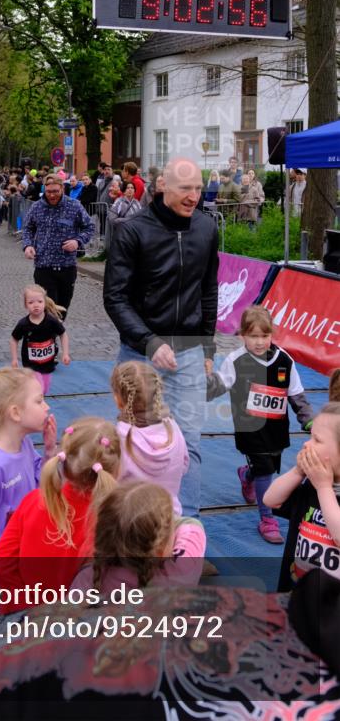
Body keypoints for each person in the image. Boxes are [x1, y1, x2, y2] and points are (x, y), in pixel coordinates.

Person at [103, 157, 219, 518]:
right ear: (162, 187)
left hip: (187, 352)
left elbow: (209, 289)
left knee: (190, 443)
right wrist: (150, 341)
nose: (194, 196)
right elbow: (115, 297)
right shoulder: (133, 231)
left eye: (198, 188)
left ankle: (186, 532)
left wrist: (207, 346)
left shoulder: (207, 227)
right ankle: (127, 529)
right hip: (139, 354)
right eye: (186, 188)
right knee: (130, 442)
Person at [207, 305, 313, 544]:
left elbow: (296, 395)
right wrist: (200, 384)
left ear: (271, 335)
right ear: (242, 335)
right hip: (250, 431)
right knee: (265, 468)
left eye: (264, 336)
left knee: (269, 465)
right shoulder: (235, 361)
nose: (259, 342)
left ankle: (247, 475)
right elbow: (217, 387)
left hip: (276, 430)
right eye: (253, 336)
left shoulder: (284, 360)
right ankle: (267, 518)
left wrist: (309, 420)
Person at [0, 417, 122, 612]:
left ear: (64, 461)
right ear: (115, 469)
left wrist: (23, 608)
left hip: (28, 622)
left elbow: (1, 560)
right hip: (73, 626)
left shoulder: (34, 501)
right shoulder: (111, 523)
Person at [0, 367, 58, 558]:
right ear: (15, 413)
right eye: (39, 401)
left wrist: (49, 451)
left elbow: (42, 485)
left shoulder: (25, 444)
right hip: (1, 570)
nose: (47, 407)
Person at [73, 481, 206, 593]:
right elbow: (192, 525)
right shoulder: (180, 569)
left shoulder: (90, 578)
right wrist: (164, 521)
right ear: (159, 551)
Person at [265, 403, 340, 591]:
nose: (307, 444)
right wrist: (298, 472)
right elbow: (271, 500)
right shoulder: (311, 486)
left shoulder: (320, 487)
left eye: (317, 439)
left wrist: (324, 487)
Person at [111, 360, 188, 516]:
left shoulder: (119, 436)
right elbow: (184, 465)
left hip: (129, 520)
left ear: (119, 400)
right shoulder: (172, 428)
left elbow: (111, 478)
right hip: (168, 518)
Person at [21, 173, 94, 312]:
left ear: (62, 189)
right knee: (49, 310)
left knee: (62, 310)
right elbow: (27, 228)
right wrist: (28, 245)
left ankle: (56, 332)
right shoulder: (37, 207)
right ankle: (51, 334)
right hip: (44, 266)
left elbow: (89, 227)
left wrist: (77, 241)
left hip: (66, 266)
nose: (52, 195)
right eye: (49, 192)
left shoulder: (74, 206)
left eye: (55, 191)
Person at [10, 284, 70, 395]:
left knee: (44, 390)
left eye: (39, 302)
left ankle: (36, 405)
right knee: (37, 391)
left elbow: (63, 334)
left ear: (45, 302)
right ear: (25, 305)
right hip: (30, 365)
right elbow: (14, 339)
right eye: (31, 302)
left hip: (47, 365)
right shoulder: (23, 324)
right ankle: (33, 408)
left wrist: (65, 353)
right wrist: (14, 358)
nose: (36, 305)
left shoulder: (51, 321)